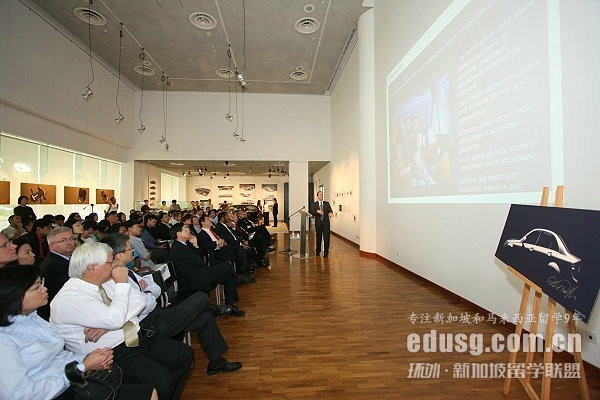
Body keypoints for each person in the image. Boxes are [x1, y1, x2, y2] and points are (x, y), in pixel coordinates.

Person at [50, 242, 193, 400]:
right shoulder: (70, 299)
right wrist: (121, 288)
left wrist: (109, 325)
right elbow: (115, 319)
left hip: (133, 338)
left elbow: (139, 302)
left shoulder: (103, 282)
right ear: (92, 268)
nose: (114, 265)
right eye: (110, 262)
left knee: (183, 355)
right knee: (163, 381)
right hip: (109, 355)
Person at [0, 265, 157, 400]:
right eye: (36, 288)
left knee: (149, 392)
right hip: (58, 392)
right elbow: (21, 395)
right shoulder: (4, 340)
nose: (44, 289)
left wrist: (88, 357)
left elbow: (59, 357)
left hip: (72, 381)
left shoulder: (33, 318)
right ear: (14, 295)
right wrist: (82, 367)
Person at [102, 233, 242, 375]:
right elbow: (144, 305)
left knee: (205, 317)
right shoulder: (113, 281)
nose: (133, 251)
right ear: (119, 255)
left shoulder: (127, 272)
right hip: (149, 325)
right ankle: (214, 308)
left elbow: (155, 286)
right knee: (200, 298)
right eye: (130, 248)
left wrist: (148, 292)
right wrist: (148, 293)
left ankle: (216, 362)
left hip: (157, 314)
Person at [169, 222, 246, 315]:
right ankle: (236, 282)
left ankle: (230, 305)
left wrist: (195, 245)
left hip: (199, 273)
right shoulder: (178, 248)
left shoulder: (182, 245)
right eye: (185, 229)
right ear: (178, 234)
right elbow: (200, 261)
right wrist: (195, 245)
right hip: (195, 279)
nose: (189, 230)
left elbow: (198, 257)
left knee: (228, 275)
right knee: (226, 266)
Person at [38, 227, 77, 321]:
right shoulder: (53, 266)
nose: (69, 243)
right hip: (58, 314)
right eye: (63, 240)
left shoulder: (66, 259)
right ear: (51, 245)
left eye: (71, 239)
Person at [310, 191, 333, 258]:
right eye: (320, 195)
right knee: (319, 238)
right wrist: (317, 211)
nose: (321, 196)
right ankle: (318, 251)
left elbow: (330, 210)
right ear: (317, 196)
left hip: (326, 224)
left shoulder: (327, 203)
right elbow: (311, 212)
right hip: (318, 224)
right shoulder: (314, 204)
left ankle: (326, 253)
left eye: (322, 195)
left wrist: (330, 213)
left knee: (326, 238)